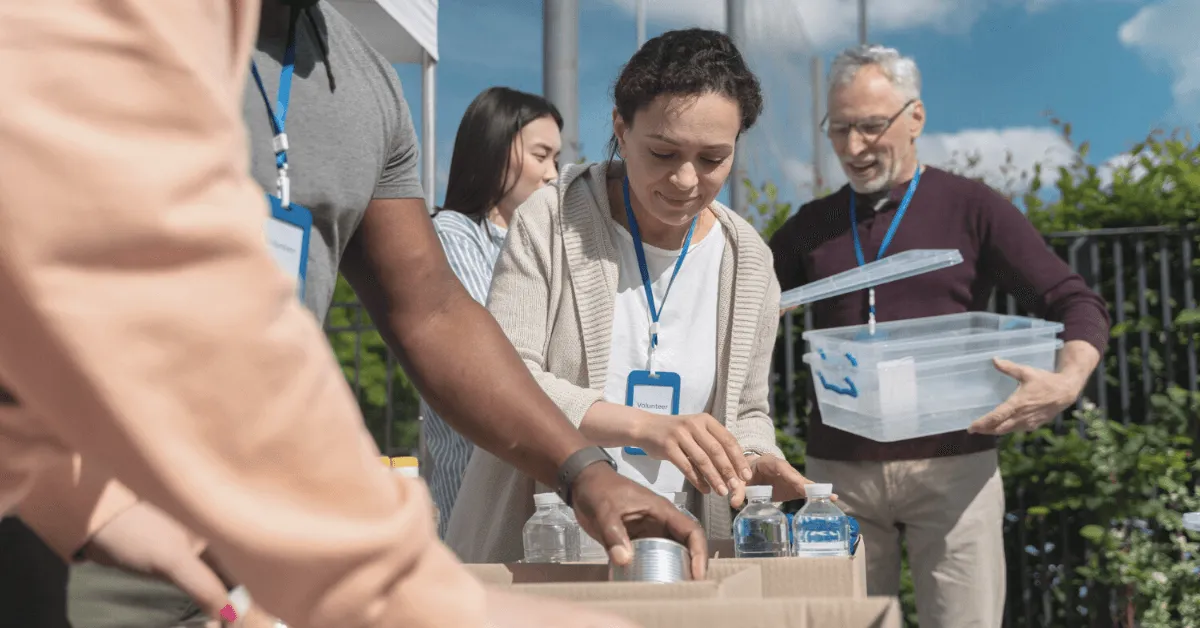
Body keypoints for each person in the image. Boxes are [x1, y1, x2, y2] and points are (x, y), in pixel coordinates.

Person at [0, 1, 698, 627]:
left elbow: (433, 310)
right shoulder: (104, 27)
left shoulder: (364, 83)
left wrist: (583, 469)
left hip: (256, 538)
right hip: (63, 522)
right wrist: (385, 583)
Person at [446, 28, 823, 564]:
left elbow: (746, 409)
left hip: (676, 549)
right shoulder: (551, 221)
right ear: (621, 129)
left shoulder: (749, 261)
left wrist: (756, 458)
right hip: (542, 540)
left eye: (714, 158)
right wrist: (645, 427)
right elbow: (504, 378)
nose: (686, 179)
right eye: (664, 152)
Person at [768, 44, 1110, 628]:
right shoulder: (811, 223)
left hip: (956, 470)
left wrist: (1068, 379)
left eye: (872, 127)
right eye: (840, 128)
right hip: (838, 476)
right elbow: (744, 311)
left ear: (916, 118)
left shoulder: (973, 207)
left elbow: (1073, 300)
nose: (853, 147)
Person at [423, 86, 563, 537]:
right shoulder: (453, 233)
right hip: (475, 475)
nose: (552, 174)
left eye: (557, 160)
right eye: (541, 155)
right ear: (495, 148)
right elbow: (489, 341)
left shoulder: (544, 243)